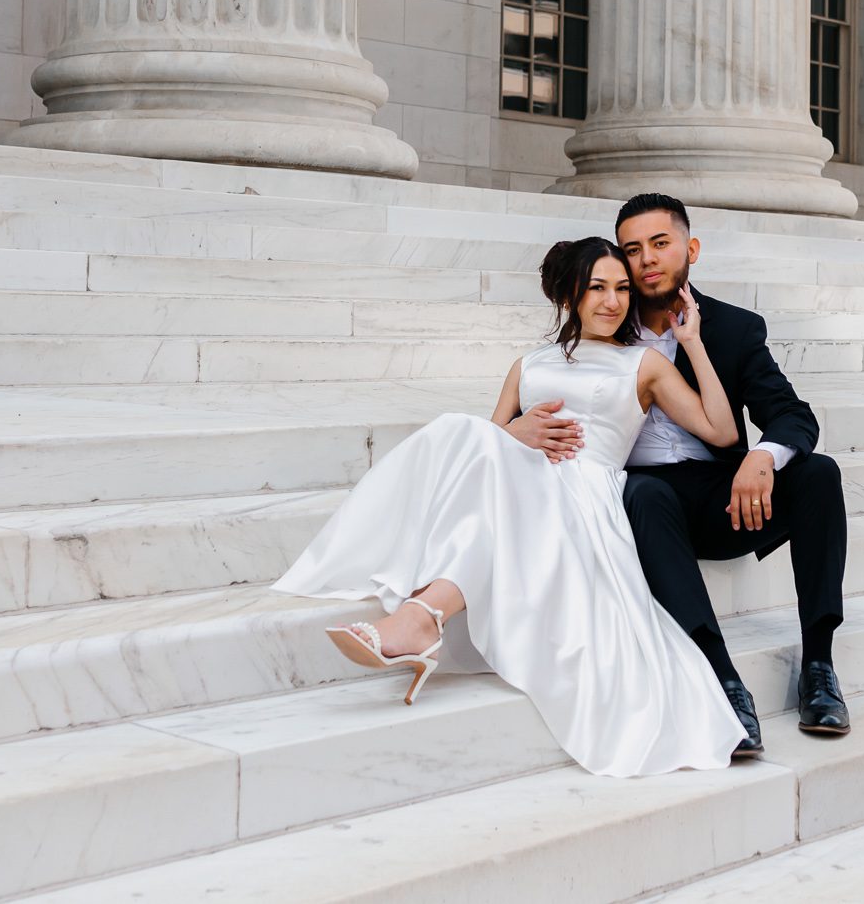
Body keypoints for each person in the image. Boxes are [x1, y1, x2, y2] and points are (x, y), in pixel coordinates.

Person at [274, 236, 748, 777]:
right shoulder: (528, 365)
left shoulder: (643, 364)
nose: (613, 302)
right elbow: (483, 451)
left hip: (585, 501)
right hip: (520, 487)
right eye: (597, 288)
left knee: (477, 453)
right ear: (569, 296)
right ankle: (421, 618)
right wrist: (515, 432)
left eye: (622, 289)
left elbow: (721, 430)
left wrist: (692, 344)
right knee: (459, 432)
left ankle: (422, 616)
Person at [506, 194, 850, 757]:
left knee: (819, 474)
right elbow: (550, 390)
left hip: (726, 498)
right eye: (632, 249)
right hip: (640, 505)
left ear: (690, 250)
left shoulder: (734, 328)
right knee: (646, 491)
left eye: (660, 244)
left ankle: (819, 666)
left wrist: (763, 457)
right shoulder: (604, 321)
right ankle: (722, 680)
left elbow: (792, 414)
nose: (646, 259)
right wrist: (519, 428)